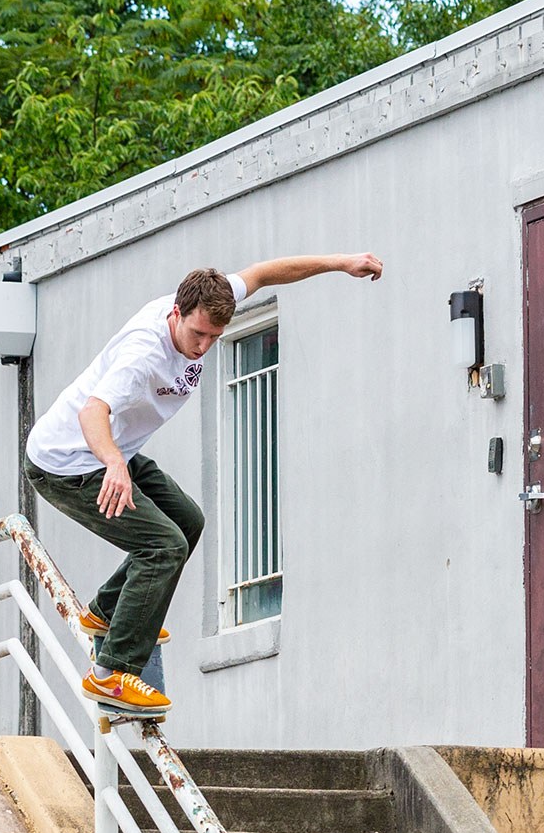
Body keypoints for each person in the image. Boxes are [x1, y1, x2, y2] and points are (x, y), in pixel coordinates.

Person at [25, 252, 384, 715]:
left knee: (188, 521)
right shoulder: (142, 353)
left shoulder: (212, 298)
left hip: (115, 453)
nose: (202, 347)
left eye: (215, 338)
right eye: (197, 334)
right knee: (163, 547)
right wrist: (113, 463)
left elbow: (265, 272)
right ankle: (112, 672)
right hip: (67, 464)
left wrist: (341, 263)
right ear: (176, 312)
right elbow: (92, 411)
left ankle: (109, 613)